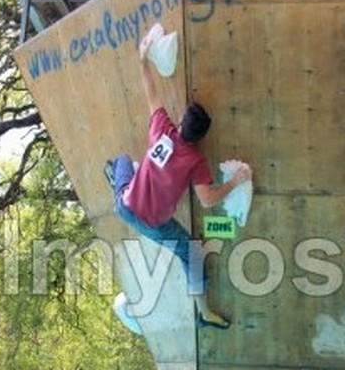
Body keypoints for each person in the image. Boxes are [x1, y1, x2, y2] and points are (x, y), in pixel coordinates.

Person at [106, 35, 251, 329]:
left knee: (121, 162)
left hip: (125, 203)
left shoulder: (162, 130)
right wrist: (236, 180)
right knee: (192, 253)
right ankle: (204, 313)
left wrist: (143, 59)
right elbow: (208, 199)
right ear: (202, 138)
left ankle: (122, 175)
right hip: (152, 222)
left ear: (181, 121)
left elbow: (151, 92)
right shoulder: (196, 162)